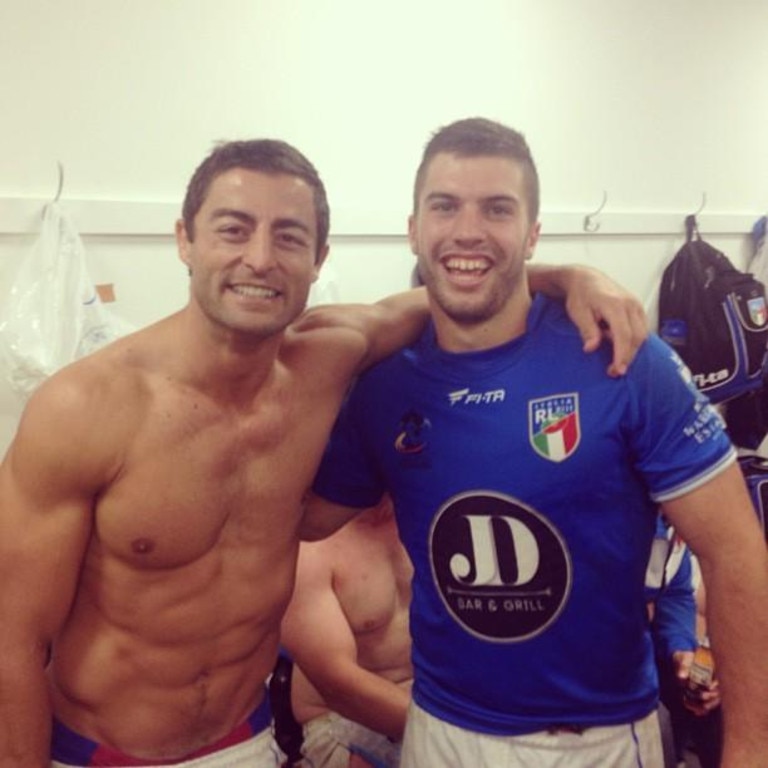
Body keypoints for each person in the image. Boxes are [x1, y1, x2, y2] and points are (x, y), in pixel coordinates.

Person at [0, 138, 648, 768]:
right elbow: (12, 641)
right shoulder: (84, 408)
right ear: (184, 241)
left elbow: (459, 288)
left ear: (318, 258)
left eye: (288, 236)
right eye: (233, 229)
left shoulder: (330, 357)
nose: (260, 258)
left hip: (246, 740)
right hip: (99, 752)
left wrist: (569, 275)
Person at [302, 118, 768, 768]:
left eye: (497, 209)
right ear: (414, 228)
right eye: (445, 206)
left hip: (595, 740)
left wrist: (749, 750)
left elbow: (736, 550)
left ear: (532, 233)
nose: (467, 229)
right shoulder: (384, 383)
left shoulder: (623, 357)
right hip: (440, 732)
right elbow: (302, 519)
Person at [280, 495, 411, 768]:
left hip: (433, 700)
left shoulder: (429, 515)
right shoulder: (308, 546)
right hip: (343, 719)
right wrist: (450, 729)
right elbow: (338, 683)